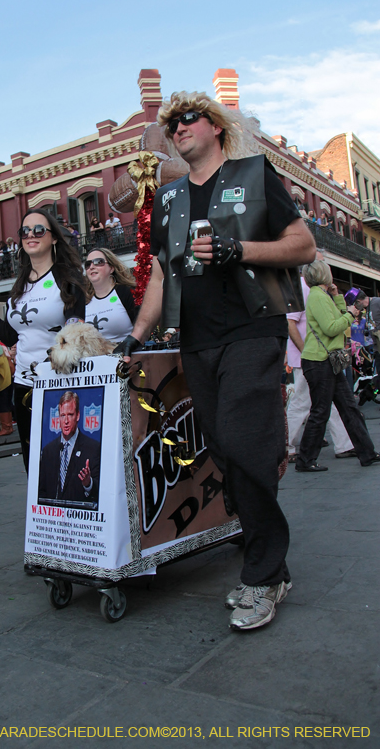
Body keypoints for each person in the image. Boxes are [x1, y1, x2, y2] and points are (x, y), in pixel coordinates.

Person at [116, 90, 317, 630]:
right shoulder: (169, 198)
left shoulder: (254, 175)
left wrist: (239, 250)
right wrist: (137, 332)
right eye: (170, 122)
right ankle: (270, 561)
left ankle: (263, 577)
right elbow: (160, 274)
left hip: (253, 329)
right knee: (227, 450)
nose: (177, 127)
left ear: (216, 127)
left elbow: (303, 246)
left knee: (245, 441)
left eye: (187, 118)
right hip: (196, 340)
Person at [0, 207, 87, 473]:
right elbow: (10, 335)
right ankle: (39, 515)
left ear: (53, 238)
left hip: (59, 383)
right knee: (33, 463)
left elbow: (77, 327)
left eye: (39, 230)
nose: (31, 235)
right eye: (25, 231)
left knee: (62, 462)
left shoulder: (67, 277)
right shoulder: (20, 285)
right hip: (24, 385)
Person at [296, 260, 380, 472]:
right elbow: (332, 328)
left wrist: (338, 298)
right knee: (321, 411)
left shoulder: (323, 296)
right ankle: (305, 460)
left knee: (348, 408)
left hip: (327, 360)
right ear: (323, 273)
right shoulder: (316, 296)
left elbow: (339, 318)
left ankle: (367, 453)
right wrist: (351, 314)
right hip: (319, 360)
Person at [287, 272, 356, 462]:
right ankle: (287, 446)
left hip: (320, 356)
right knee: (303, 402)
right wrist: (304, 351)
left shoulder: (317, 291)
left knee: (329, 402)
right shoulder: (302, 288)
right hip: (311, 356)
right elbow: (291, 322)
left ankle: (344, 444)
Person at [38, 391, 100, 505]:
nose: (66, 421)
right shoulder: (48, 451)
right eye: (62, 415)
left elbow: (102, 493)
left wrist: (88, 483)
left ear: (78, 416)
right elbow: (41, 491)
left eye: (70, 415)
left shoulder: (93, 448)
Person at [85, 248, 137, 342]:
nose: (91, 267)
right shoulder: (84, 300)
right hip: (93, 356)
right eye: (88, 264)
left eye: (98, 262)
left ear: (111, 268)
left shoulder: (126, 292)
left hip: (125, 354)